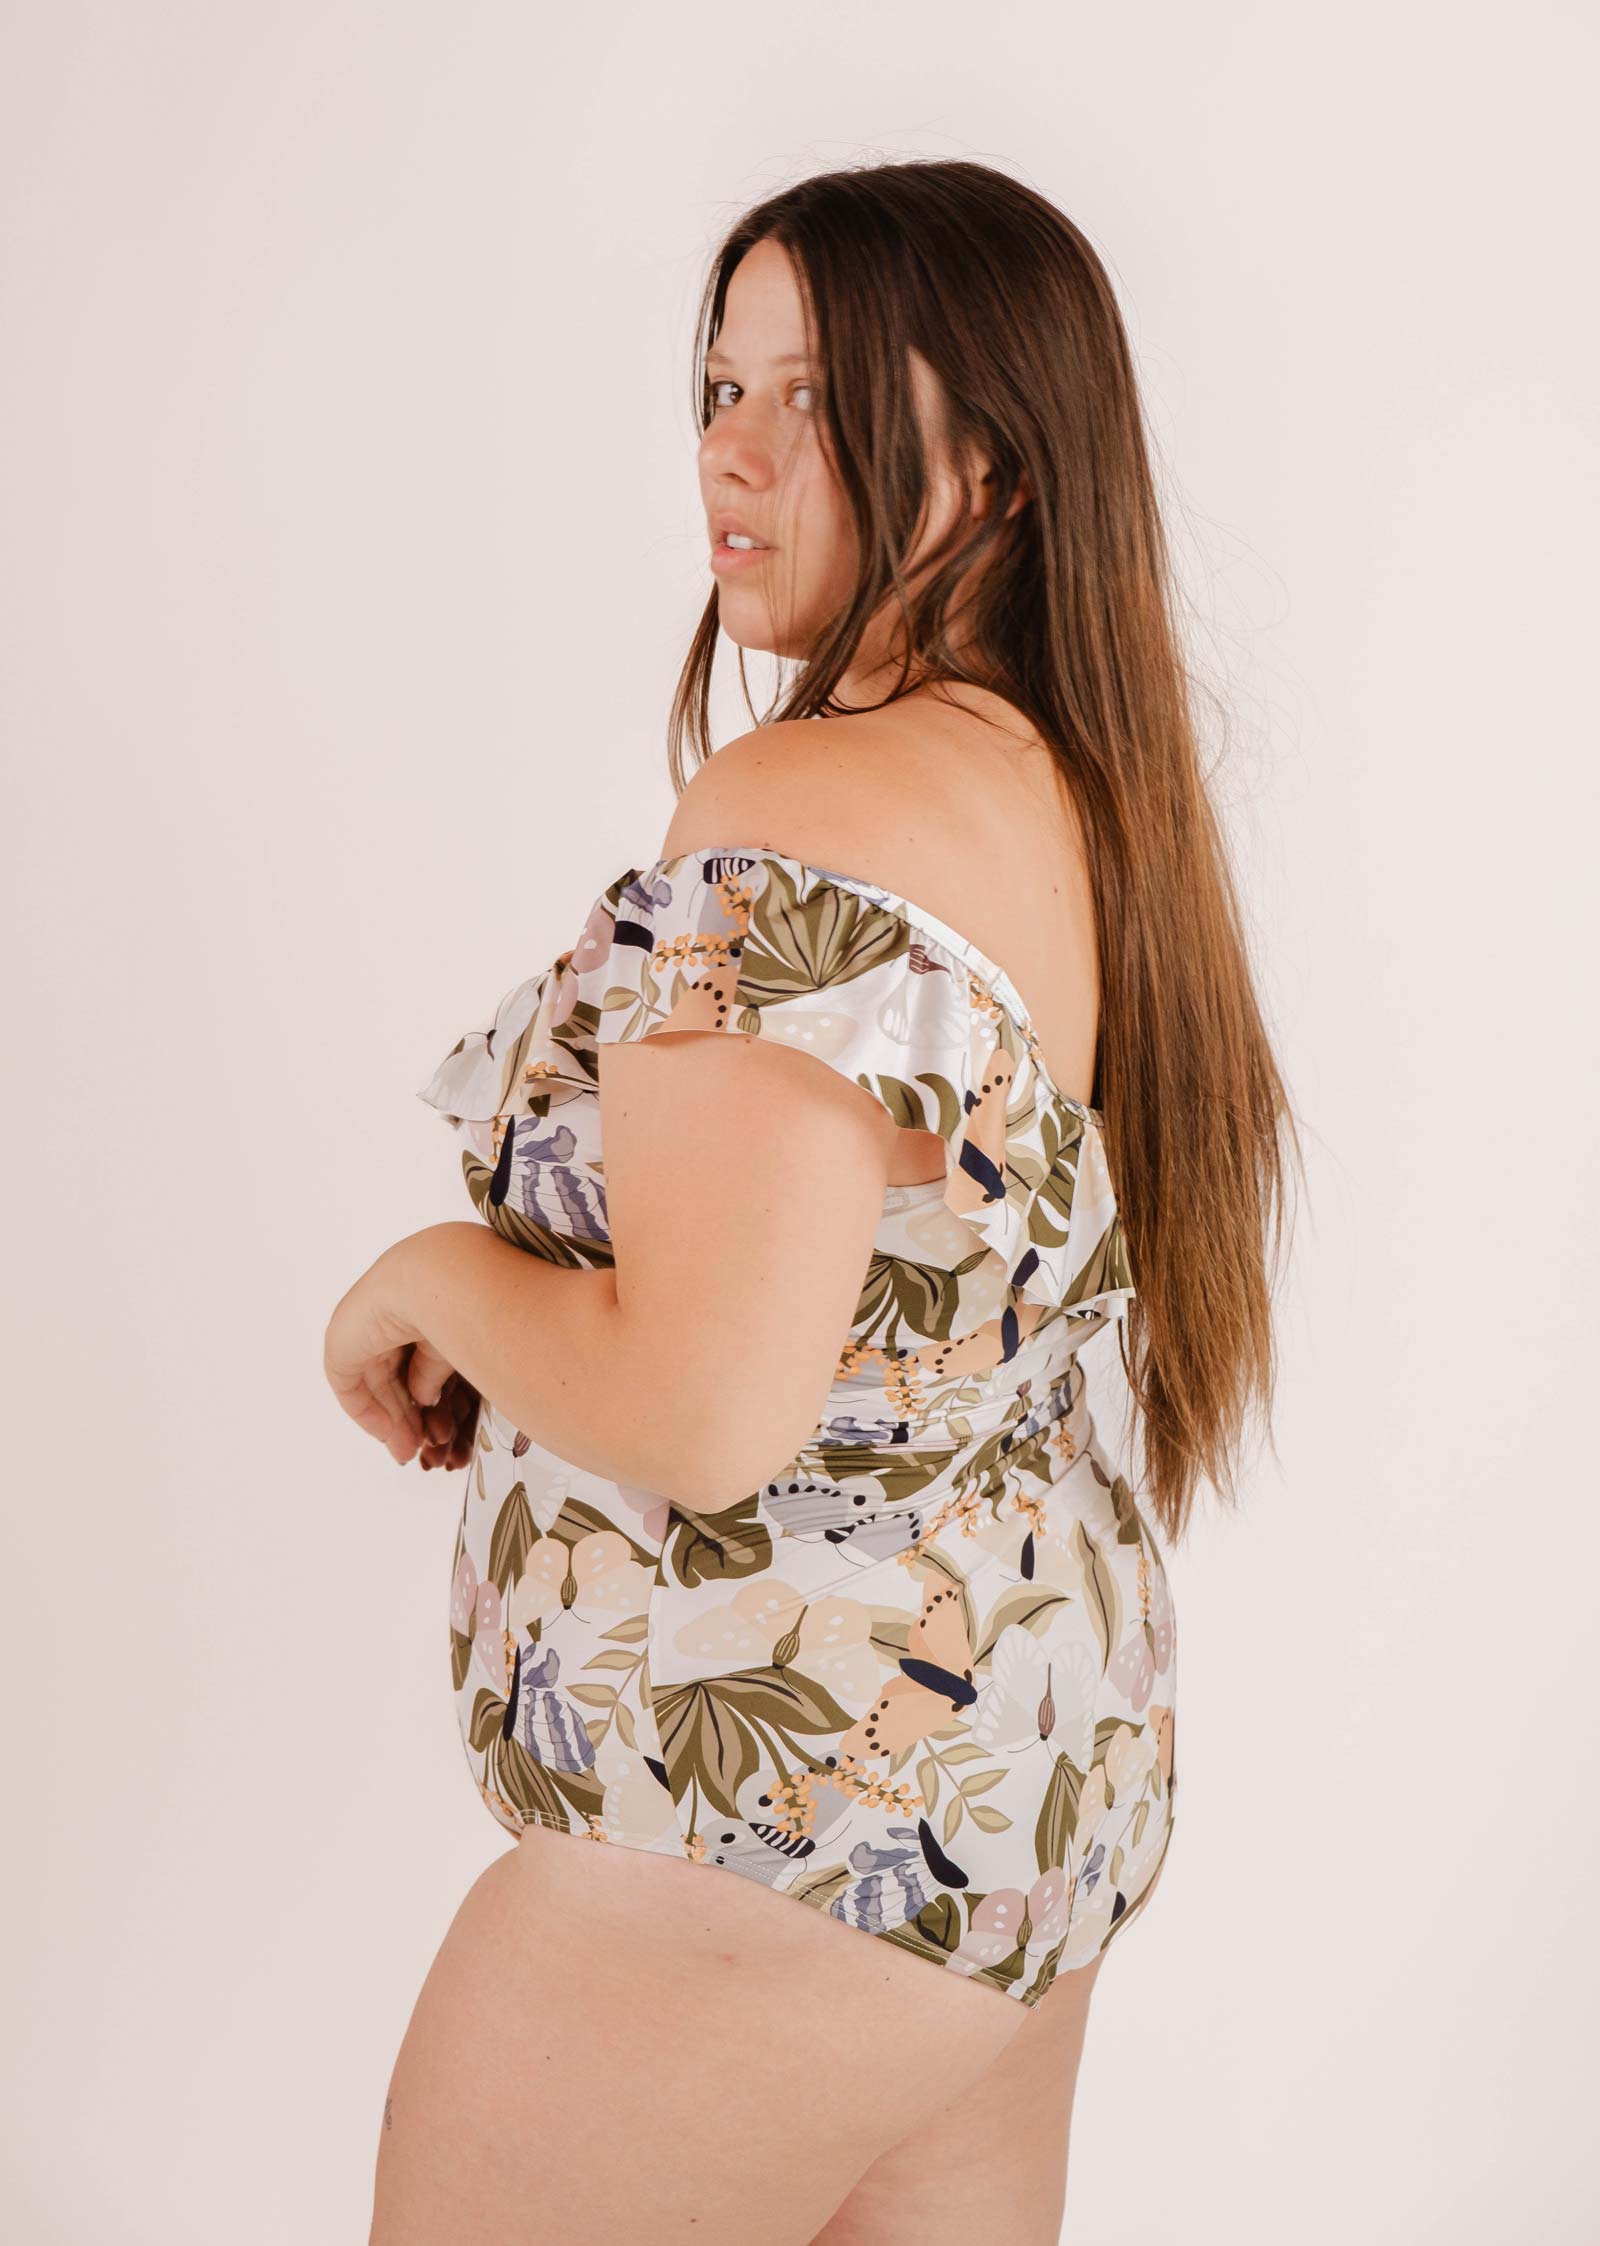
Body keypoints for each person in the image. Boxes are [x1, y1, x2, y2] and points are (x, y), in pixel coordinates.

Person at [325, 158, 1301, 2246]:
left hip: (765, 1846)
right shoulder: (1058, 784)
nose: (732, 453)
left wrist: (420, 1279)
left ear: (999, 471)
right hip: (1014, 1788)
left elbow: (700, 1405)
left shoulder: (794, 807)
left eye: (815, 393)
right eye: (716, 382)